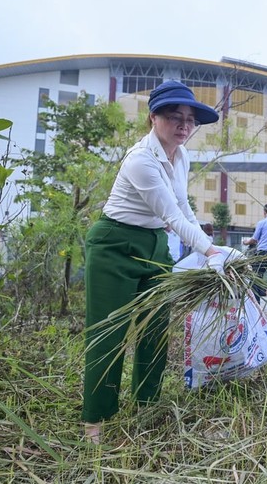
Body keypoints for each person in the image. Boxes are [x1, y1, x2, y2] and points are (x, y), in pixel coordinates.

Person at [82, 80, 240, 443]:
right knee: (109, 334)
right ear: (153, 118)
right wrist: (212, 251)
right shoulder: (141, 160)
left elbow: (183, 206)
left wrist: (208, 248)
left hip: (155, 246)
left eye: (189, 119)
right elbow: (171, 215)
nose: (184, 126)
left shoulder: (181, 155)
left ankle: (146, 406)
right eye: (174, 117)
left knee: (154, 331)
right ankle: (96, 419)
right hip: (114, 245)